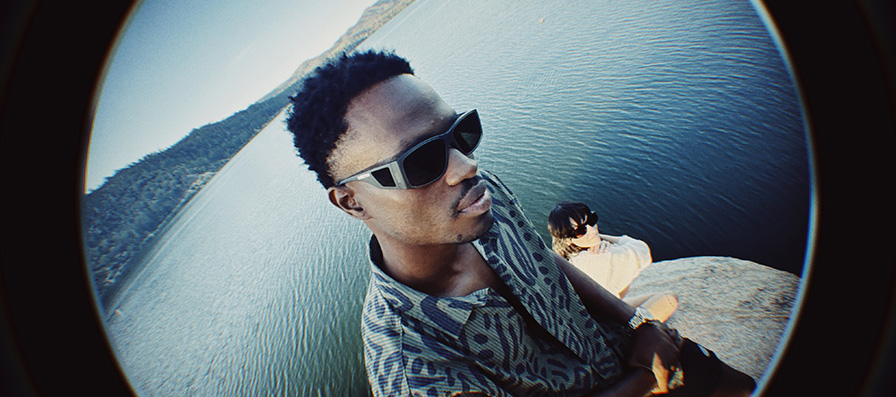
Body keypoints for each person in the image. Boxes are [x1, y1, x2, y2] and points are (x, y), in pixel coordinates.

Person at [285, 49, 755, 396]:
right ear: (350, 202)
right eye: (421, 159)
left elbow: (542, 260)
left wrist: (636, 322)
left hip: (647, 356)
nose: (465, 165)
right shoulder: (413, 366)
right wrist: (642, 380)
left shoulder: (476, 197)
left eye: (460, 134)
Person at [548, 201, 679, 322]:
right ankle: (635, 333)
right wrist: (605, 239)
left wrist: (597, 239)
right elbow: (642, 250)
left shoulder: (567, 258)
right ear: (567, 239)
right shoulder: (600, 257)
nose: (592, 230)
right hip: (605, 326)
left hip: (591, 317)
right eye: (580, 231)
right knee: (669, 299)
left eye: (591, 221)